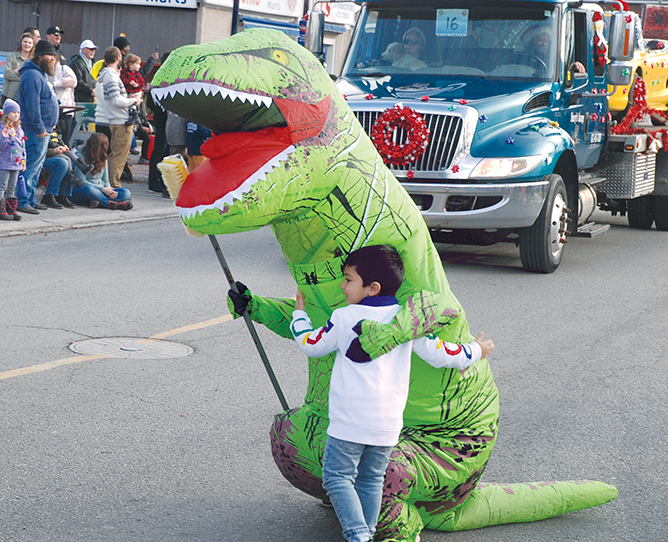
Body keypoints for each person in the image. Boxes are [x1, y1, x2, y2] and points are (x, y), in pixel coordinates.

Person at [289, 245, 494, 542]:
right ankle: (367, 534)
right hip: (386, 425)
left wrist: (299, 314)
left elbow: (311, 343)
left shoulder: (345, 317)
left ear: (372, 288)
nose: (343, 286)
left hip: (349, 420)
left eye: (348, 279)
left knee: (336, 478)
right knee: (371, 479)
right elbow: (443, 354)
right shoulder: (407, 321)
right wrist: (477, 350)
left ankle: (358, 534)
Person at [16, 39, 59, 215]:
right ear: (40, 56)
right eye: (50, 55)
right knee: (32, 166)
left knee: (37, 167)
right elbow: (32, 106)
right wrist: (40, 127)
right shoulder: (32, 76)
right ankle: (22, 200)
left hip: (43, 130)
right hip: (34, 131)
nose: (53, 59)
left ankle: (31, 199)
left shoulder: (39, 74)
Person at [96, 46, 143, 188]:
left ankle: (111, 183)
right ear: (118, 58)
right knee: (119, 156)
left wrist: (129, 98)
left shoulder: (108, 75)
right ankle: (114, 186)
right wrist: (133, 100)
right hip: (121, 120)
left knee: (116, 154)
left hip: (116, 119)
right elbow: (116, 99)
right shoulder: (111, 76)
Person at [70, 132, 133, 210]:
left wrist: (110, 191)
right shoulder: (80, 158)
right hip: (84, 190)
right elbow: (81, 182)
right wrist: (103, 189)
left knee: (125, 192)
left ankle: (99, 201)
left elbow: (105, 180)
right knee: (89, 190)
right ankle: (109, 203)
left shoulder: (104, 160)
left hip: (101, 190)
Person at [120, 53, 151, 160]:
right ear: (129, 64)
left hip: (136, 96)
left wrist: (138, 86)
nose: (138, 66)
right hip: (129, 97)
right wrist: (130, 82)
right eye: (136, 64)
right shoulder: (125, 73)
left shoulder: (138, 75)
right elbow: (123, 80)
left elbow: (142, 83)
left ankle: (144, 156)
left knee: (148, 137)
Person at [0, 99, 26, 221]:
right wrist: (4, 138)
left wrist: (23, 160)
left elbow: (22, 146)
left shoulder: (19, 130)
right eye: (13, 112)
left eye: (18, 113)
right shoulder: (2, 129)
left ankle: (11, 208)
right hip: (5, 163)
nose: (16, 115)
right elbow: (1, 147)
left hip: (16, 163)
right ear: (6, 114)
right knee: (2, 185)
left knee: (12, 186)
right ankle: (1, 208)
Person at [1, 33, 34, 106]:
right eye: (25, 42)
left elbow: (32, 79)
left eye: (30, 43)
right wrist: (24, 76)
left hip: (25, 97)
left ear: (32, 45)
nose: (27, 44)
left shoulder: (34, 61)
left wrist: (17, 71)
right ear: (21, 43)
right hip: (9, 95)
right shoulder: (12, 56)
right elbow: (7, 74)